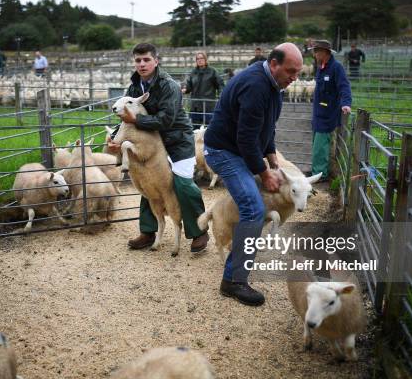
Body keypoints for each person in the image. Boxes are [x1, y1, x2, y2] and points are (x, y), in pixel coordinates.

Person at [203, 43, 303, 306]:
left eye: (298, 72)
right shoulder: (256, 86)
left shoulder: (276, 88)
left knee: (252, 203)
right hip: (223, 150)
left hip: (239, 149)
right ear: (273, 64)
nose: (295, 77)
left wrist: (273, 162)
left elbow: (266, 129)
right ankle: (233, 282)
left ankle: (236, 262)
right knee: (253, 208)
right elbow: (247, 138)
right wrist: (264, 173)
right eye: (291, 71)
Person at [107, 42, 209, 253]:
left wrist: (135, 121)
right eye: (138, 60)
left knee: (182, 184)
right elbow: (127, 117)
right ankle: (148, 231)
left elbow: (166, 120)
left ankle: (199, 231)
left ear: (156, 61)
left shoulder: (168, 85)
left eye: (146, 60)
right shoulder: (134, 86)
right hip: (151, 142)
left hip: (177, 140)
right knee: (146, 182)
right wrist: (116, 137)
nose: (142, 64)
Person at [310, 40, 352, 182]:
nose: (314, 54)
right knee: (316, 143)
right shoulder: (321, 68)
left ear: (325, 52)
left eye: (317, 51)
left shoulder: (336, 68)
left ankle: (320, 175)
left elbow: (344, 87)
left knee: (320, 145)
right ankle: (318, 171)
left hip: (328, 114)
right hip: (318, 112)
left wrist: (346, 103)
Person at [182, 51, 224, 129]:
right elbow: (189, 86)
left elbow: (220, 85)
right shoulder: (193, 72)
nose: (199, 60)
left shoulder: (212, 72)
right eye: (197, 59)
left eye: (201, 58)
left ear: (205, 59)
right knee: (195, 129)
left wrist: (221, 96)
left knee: (209, 128)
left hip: (208, 105)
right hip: (195, 106)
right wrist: (185, 89)